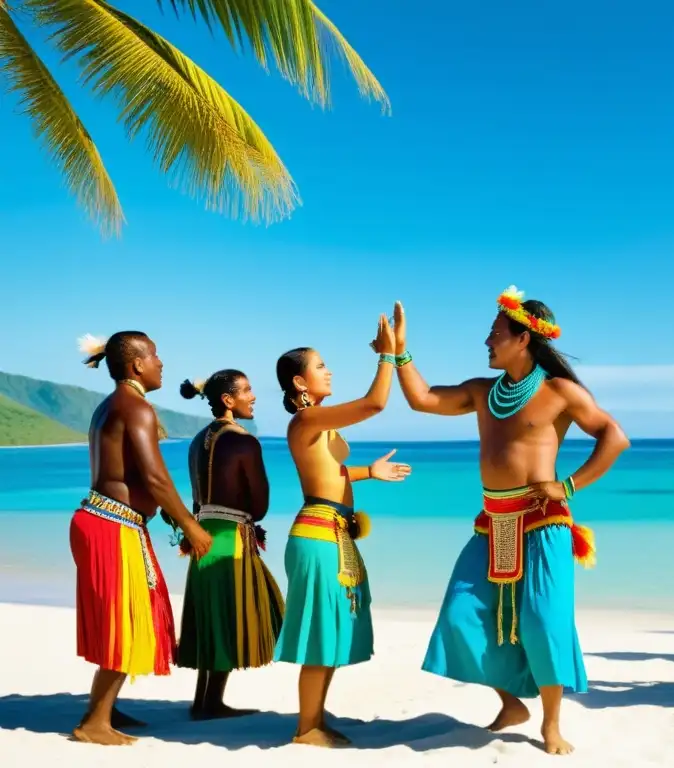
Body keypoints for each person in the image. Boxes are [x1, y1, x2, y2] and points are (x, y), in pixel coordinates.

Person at [394, 287, 630, 756]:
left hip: (544, 523)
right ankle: (510, 703)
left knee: (543, 622)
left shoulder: (561, 392)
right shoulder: (482, 391)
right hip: (493, 524)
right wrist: (399, 352)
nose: (487, 340)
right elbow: (421, 399)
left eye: (495, 333)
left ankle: (552, 725)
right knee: (462, 616)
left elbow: (614, 437)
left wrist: (570, 485)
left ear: (523, 339)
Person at [272, 314, 412, 748]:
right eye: (320, 366)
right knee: (319, 633)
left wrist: (368, 472)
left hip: (332, 532)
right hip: (317, 536)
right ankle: (306, 727)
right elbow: (375, 404)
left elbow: (329, 474)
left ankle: (313, 717)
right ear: (299, 383)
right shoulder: (307, 421)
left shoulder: (319, 423)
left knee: (329, 629)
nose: (328, 371)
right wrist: (388, 357)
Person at [70, 332, 211, 746]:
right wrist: (191, 525)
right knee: (125, 617)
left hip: (104, 521)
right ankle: (94, 723)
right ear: (136, 365)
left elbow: (136, 478)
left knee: (123, 615)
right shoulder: (135, 408)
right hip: (111, 526)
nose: (161, 363)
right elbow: (153, 477)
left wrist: (169, 515)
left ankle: (105, 708)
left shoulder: (112, 406)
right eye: (155, 356)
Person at [174, 370, 284, 720]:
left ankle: (203, 701)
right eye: (247, 391)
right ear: (228, 400)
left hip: (202, 533)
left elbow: (196, 498)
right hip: (231, 536)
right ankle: (210, 705)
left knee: (211, 616)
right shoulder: (244, 441)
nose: (253, 397)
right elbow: (260, 505)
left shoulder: (196, 441)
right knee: (234, 613)